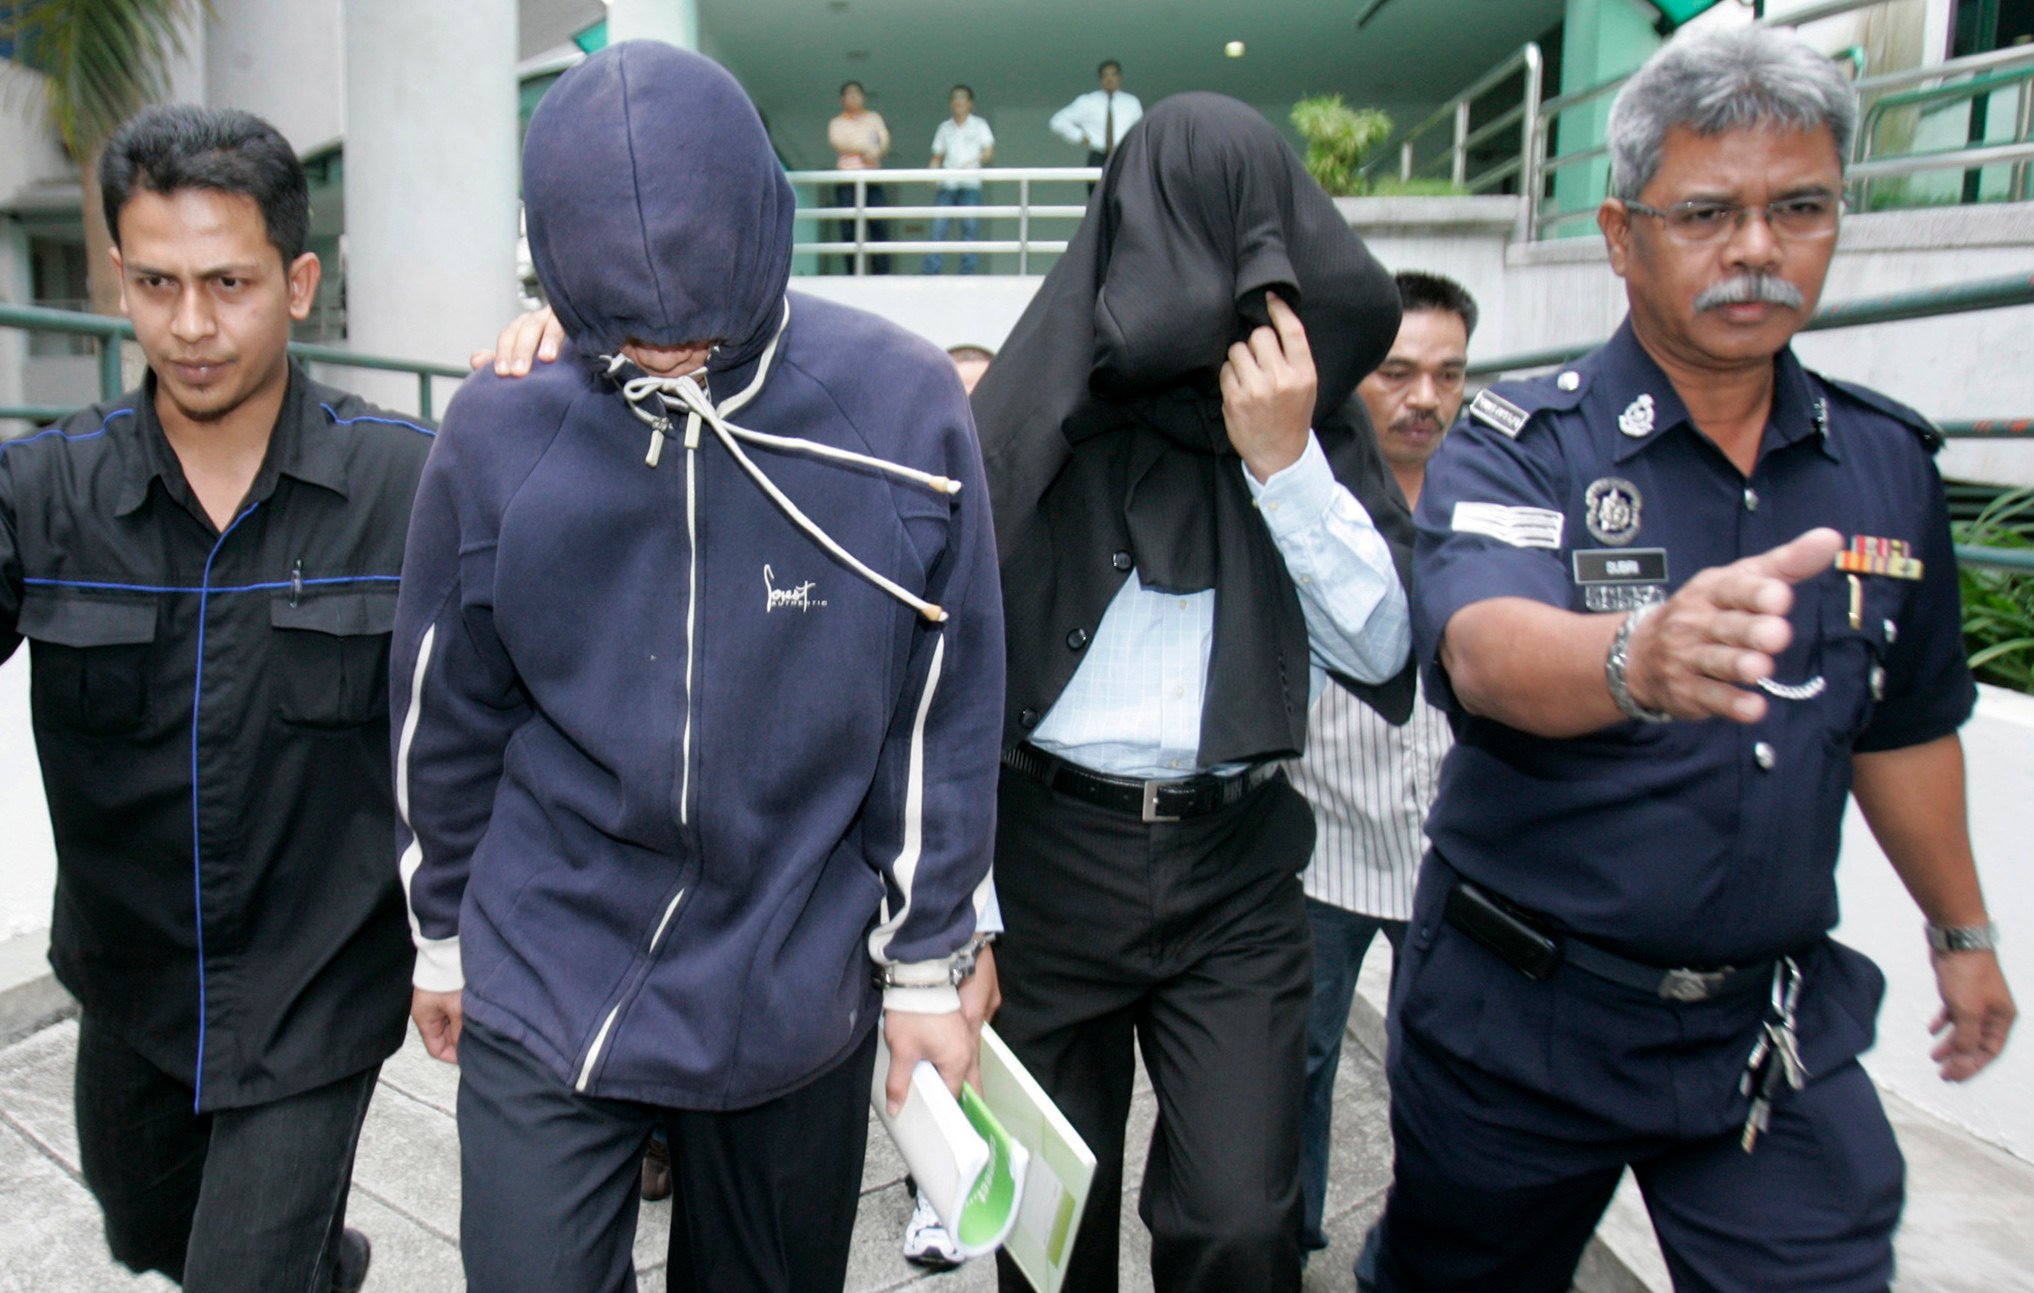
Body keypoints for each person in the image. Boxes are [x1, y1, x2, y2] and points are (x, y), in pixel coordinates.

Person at [1372, 26, 2016, 1292]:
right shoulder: (1519, 439)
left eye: (1802, 208)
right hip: (1521, 1022)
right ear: (1623, 236)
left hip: (1760, 1034)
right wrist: (1635, 657)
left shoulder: (1885, 463)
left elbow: (1902, 724)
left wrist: (1963, 930)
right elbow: (1485, 650)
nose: (1760, 250)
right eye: (1710, 213)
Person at [397, 42, 1003, 1293]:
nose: (673, 357)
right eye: (628, 328)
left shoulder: (904, 411)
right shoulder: (502, 425)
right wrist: (441, 933)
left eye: (707, 328)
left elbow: (942, 712)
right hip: (548, 952)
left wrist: (929, 960)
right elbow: (442, 709)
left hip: (792, 968)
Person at [970, 92, 1416, 1293]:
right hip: (1047, 860)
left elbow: (1383, 656)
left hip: (1237, 868)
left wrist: (1284, 463)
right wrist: (954, 913)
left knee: (1240, 1228)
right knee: (1047, 1234)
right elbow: (943, 670)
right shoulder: (1031, 404)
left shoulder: (1317, 423)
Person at [0, 105, 428, 1291]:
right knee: (147, 1238)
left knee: (234, 1277)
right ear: (118, 279)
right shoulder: (43, 492)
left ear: (297, 282)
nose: (190, 326)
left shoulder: (408, 485)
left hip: (320, 986)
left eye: (228, 282)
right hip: (132, 983)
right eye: (155, 283)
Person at [1285, 271, 1475, 1263]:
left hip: (1455, 856)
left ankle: (1412, 1257)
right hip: (1321, 846)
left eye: (1448, 374)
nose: (1424, 397)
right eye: (1398, 372)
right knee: (1299, 1065)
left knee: (1444, 1076)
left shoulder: (1496, 497)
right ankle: (1293, 1246)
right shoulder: (1308, 489)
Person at [924, 84, 995, 276]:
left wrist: (973, 161)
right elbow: (937, 156)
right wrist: (932, 175)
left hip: (970, 184)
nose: (959, 101)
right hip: (948, 184)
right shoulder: (944, 128)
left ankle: (967, 272)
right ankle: (931, 271)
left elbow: (988, 151)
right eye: (955, 98)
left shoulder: (979, 125)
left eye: (963, 98)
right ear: (951, 103)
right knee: (938, 228)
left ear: (970, 103)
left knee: (970, 228)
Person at [826, 80, 891, 275]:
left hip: (871, 178)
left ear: (863, 97)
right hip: (847, 179)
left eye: (857, 94)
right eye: (849, 94)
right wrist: (864, 148)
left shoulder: (874, 118)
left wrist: (877, 152)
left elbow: (884, 140)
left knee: (878, 224)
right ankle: (853, 272)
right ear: (842, 99)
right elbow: (838, 142)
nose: (854, 97)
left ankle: (881, 273)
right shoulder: (837, 122)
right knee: (849, 228)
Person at [1051, 59, 1143, 173]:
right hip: (1098, 155)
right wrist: (1079, 136)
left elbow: (1140, 130)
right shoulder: (1087, 102)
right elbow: (1057, 121)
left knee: (1125, 188)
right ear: (1100, 79)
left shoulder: (1132, 102)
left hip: (1124, 155)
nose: (1109, 79)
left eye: (1113, 75)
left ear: (1120, 78)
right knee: (1097, 189)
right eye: (1105, 75)